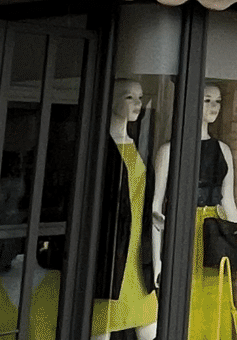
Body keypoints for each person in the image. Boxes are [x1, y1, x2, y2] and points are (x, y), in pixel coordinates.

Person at [154, 84, 237, 340]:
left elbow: (229, 199)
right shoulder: (169, 151)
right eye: (207, 100)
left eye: (218, 101)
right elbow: (156, 208)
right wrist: (158, 260)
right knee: (186, 298)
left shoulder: (223, 150)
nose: (214, 107)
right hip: (185, 230)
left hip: (215, 231)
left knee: (215, 301)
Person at [92, 79, 157, 340]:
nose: (138, 104)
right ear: (111, 99)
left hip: (139, 251)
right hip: (111, 251)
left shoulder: (139, 144)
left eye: (140, 97)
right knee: (103, 326)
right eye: (129, 97)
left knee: (149, 327)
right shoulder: (98, 147)